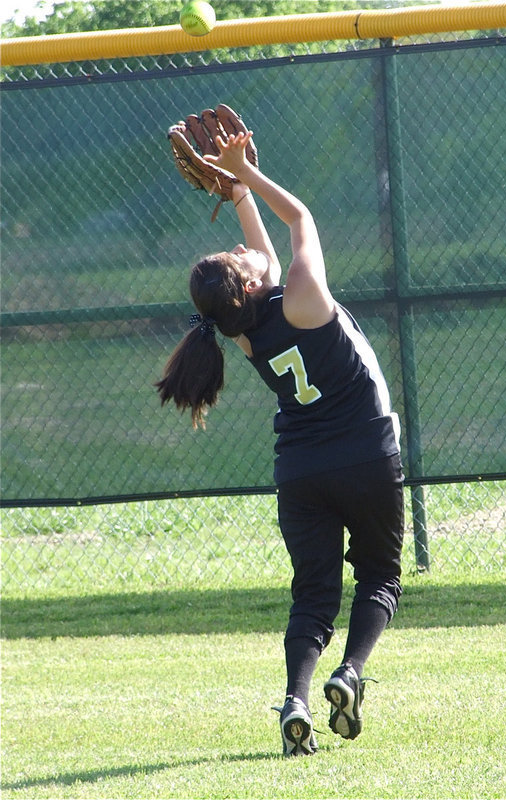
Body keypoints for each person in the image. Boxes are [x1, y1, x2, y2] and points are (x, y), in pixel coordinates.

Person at [156, 130, 404, 757]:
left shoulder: (241, 330)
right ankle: (348, 676)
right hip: (366, 453)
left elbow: (259, 258)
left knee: (313, 594)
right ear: (251, 281)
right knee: (378, 574)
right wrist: (250, 176)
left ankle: (296, 700)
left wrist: (239, 193)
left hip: (300, 468)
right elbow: (300, 219)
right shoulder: (301, 294)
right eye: (238, 251)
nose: (244, 244)